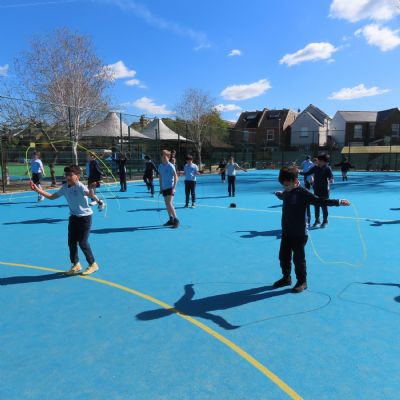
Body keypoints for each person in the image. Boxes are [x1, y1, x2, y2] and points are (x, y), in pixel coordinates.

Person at [274, 166, 350, 292]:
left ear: (295, 181)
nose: (285, 187)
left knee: (298, 259)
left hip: (299, 233)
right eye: (283, 185)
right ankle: (286, 278)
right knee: (283, 256)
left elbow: (320, 201)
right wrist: (279, 194)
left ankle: (302, 281)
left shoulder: (303, 193)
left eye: (287, 185)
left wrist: (338, 202)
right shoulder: (286, 191)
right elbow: (284, 196)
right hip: (286, 231)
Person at [29, 165, 105, 276]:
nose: (68, 177)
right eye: (66, 175)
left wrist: (96, 196)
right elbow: (52, 197)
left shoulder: (80, 187)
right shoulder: (65, 187)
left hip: (85, 218)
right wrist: (37, 189)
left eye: (70, 175)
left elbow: (90, 195)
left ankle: (93, 264)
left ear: (78, 176)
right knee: (71, 242)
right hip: (73, 217)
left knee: (83, 242)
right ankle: (76, 264)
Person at [300, 153, 334, 228]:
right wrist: (299, 172)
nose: (318, 161)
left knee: (324, 205)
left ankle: (325, 221)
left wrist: (331, 179)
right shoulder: (315, 168)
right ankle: (317, 220)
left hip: (324, 190)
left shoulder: (327, 168)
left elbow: (331, 176)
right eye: (318, 160)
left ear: (324, 161)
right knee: (316, 205)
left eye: (319, 160)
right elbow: (307, 173)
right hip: (316, 189)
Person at [159, 150, 179, 228]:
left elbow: (176, 177)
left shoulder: (171, 166)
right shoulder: (160, 166)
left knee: (169, 203)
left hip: (171, 187)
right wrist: (161, 187)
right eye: (162, 157)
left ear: (168, 157)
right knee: (166, 203)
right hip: (164, 187)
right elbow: (160, 177)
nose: (163, 158)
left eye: (165, 157)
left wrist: (174, 188)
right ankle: (171, 219)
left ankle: (176, 220)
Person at [300, 156, 314, 225]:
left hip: (309, 175)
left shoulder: (311, 163)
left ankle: (308, 191)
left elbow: (311, 170)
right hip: (305, 174)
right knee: (306, 184)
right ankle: (307, 191)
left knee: (308, 184)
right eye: (307, 158)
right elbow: (302, 165)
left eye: (308, 158)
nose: (308, 160)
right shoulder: (304, 162)